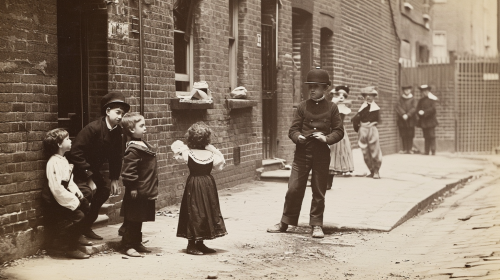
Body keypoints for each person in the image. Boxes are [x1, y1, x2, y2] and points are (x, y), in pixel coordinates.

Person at [267, 67, 344, 238]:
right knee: (294, 188)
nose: (312, 90)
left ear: (325, 88)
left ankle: (316, 225)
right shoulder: (302, 107)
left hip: (321, 155)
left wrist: (326, 139)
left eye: (316, 87)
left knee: (318, 190)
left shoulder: (332, 108)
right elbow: (292, 129)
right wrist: (298, 137)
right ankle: (285, 222)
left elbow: (339, 131)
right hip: (302, 154)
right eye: (310, 87)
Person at [67, 92, 130, 240]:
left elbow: (116, 157)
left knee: (104, 190)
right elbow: (75, 152)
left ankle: (86, 226)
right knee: (85, 194)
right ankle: (75, 232)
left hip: (92, 170)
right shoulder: (93, 128)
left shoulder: (118, 132)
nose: (120, 117)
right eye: (118, 112)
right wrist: (89, 178)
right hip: (78, 170)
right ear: (108, 111)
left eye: (123, 114)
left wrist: (114, 178)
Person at [171, 122, 227, 255]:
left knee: (200, 210)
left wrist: (188, 147)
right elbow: (220, 163)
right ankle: (191, 245)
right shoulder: (209, 154)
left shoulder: (187, 153)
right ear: (208, 139)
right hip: (205, 184)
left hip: (196, 183)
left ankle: (200, 243)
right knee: (196, 211)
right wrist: (212, 148)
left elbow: (176, 148)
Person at [42, 128, 93, 259]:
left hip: (65, 193)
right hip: (56, 198)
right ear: (59, 144)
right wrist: (73, 200)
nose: (71, 141)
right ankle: (71, 247)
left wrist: (77, 192)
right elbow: (56, 187)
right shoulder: (53, 162)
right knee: (79, 216)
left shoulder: (63, 159)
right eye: (68, 139)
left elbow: (69, 181)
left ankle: (78, 234)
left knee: (86, 205)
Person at [119, 112, 159, 257]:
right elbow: (129, 171)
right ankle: (128, 245)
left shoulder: (142, 144)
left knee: (139, 217)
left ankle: (136, 242)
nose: (145, 128)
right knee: (132, 218)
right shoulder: (132, 149)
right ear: (131, 130)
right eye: (141, 126)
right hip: (137, 190)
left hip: (145, 189)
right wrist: (132, 187)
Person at [327, 85, 354, 190]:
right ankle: (320, 181)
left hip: (336, 132)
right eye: (339, 94)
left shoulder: (343, 108)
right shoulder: (331, 104)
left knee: (334, 156)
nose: (341, 97)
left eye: (344, 95)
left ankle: (328, 182)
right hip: (326, 131)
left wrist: (336, 99)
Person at [351, 86, 382, 179]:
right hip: (363, 129)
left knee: (374, 150)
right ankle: (371, 170)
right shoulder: (362, 108)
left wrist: (371, 124)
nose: (368, 97)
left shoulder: (376, 108)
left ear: (374, 97)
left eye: (371, 95)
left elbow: (378, 120)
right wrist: (358, 128)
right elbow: (356, 119)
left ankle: (376, 170)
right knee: (365, 151)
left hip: (371, 129)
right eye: (366, 95)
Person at [416, 84, 439, 155]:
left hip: (431, 120)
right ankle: (426, 151)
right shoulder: (420, 101)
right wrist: (419, 112)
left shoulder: (432, 100)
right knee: (426, 136)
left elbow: (433, 109)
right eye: (423, 91)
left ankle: (433, 150)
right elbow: (417, 109)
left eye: (426, 91)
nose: (424, 93)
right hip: (424, 121)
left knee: (431, 135)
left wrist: (424, 112)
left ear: (428, 91)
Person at [395, 85, 417, 154]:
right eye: (405, 90)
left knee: (410, 134)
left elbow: (414, 108)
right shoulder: (400, 99)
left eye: (408, 90)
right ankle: (404, 149)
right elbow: (398, 107)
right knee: (403, 133)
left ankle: (409, 149)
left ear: (410, 90)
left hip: (410, 119)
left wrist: (408, 115)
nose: (407, 91)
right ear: (403, 91)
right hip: (402, 119)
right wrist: (403, 114)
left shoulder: (413, 99)